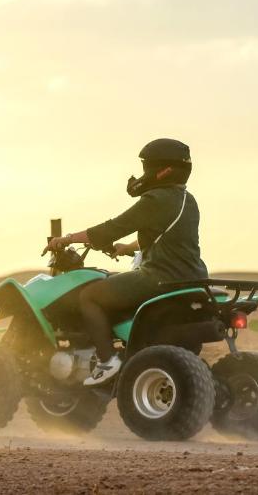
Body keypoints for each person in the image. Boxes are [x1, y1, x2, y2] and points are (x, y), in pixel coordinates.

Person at [46, 138, 208, 385]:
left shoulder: (156, 199)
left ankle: (107, 360)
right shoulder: (188, 200)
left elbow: (112, 228)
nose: (143, 174)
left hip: (159, 277)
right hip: (192, 277)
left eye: (147, 167)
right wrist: (128, 248)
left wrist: (67, 239)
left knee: (90, 296)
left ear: (163, 170)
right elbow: (169, 237)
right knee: (113, 285)